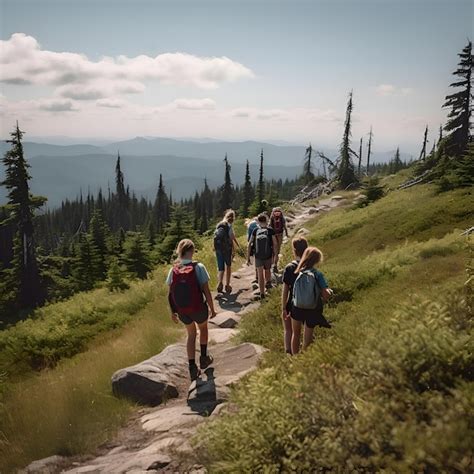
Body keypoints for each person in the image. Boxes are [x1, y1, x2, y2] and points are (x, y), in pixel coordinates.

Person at [167, 239, 217, 381]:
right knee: (204, 329)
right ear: (191, 251)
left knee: (191, 335)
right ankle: (203, 358)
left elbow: (170, 293)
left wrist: (172, 312)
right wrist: (212, 309)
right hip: (198, 308)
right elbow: (206, 291)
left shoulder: (173, 269)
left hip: (182, 311)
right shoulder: (199, 267)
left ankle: (192, 367)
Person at [289, 246, 333, 354]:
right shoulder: (317, 274)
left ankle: (294, 359)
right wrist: (330, 292)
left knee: (296, 334)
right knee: (307, 339)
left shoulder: (296, 272)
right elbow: (325, 294)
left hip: (296, 307)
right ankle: (303, 362)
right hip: (312, 309)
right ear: (317, 260)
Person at [281, 236, 308, 354]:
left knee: (289, 330)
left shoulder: (290, 267)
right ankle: (306, 353)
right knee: (307, 330)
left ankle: (290, 353)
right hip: (308, 303)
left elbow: (285, 290)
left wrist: (283, 308)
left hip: (293, 303)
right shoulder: (309, 267)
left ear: (294, 250)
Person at [247, 213, 278, 299]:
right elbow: (275, 244)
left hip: (258, 256)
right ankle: (268, 285)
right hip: (268, 255)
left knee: (260, 274)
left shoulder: (255, 230)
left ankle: (261, 293)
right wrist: (275, 255)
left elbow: (249, 244)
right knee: (267, 271)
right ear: (267, 220)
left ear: (258, 222)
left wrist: (248, 258)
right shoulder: (270, 230)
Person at [214, 209, 241, 293]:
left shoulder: (219, 224)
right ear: (233, 218)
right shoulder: (229, 225)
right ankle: (227, 285)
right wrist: (235, 247)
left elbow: (215, 236)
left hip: (218, 248)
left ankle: (219, 283)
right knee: (228, 266)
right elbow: (231, 237)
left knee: (220, 267)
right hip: (226, 249)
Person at [270, 207, 289, 273]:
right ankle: (274, 264)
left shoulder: (282, 218)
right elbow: (270, 226)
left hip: (280, 234)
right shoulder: (272, 218)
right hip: (274, 235)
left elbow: (284, 226)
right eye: (276, 211)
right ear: (273, 212)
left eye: (278, 211)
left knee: (278, 250)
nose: (277, 212)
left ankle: (275, 264)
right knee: (275, 249)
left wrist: (286, 234)